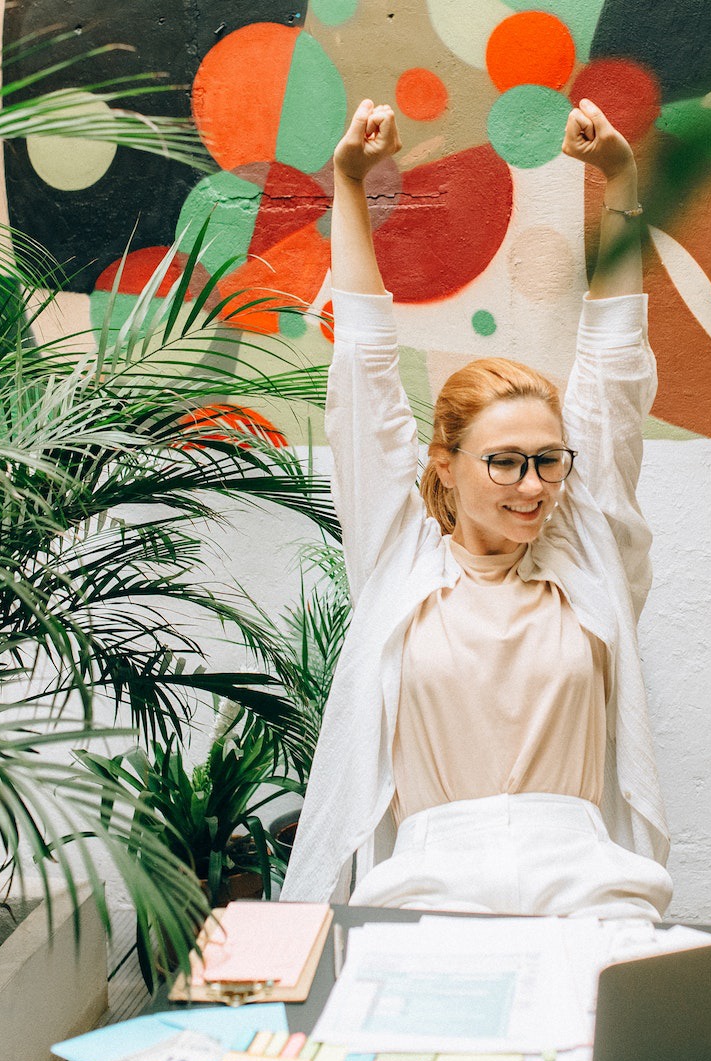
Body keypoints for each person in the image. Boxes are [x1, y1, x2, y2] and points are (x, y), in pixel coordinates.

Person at [278, 96, 673, 920]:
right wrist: (350, 186)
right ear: (446, 467)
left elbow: (615, 361)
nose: (534, 486)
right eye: (505, 463)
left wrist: (620, 182)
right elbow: (363, 367)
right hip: (427, 890)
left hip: (588, 890)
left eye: (550, 461)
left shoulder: (584, 546)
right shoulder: (400, 556)